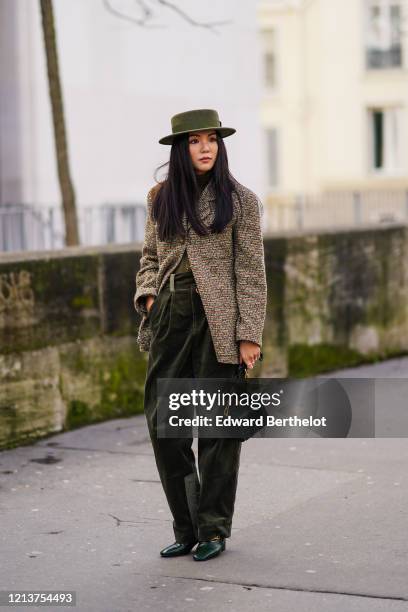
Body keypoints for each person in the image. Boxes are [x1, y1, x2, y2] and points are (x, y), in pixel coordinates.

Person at [134, 109, 267, 561]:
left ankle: (213, 529)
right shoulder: (160, 197)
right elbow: (150, 257)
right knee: (163, 426)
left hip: (220, 319)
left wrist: (248, 333)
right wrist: (150, 297)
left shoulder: (241, 200)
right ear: (179, 148)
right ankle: (186, 527)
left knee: (218, 429)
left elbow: (251, 271)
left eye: (211, 139)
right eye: (194, 141)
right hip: (170, 315)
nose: (205, 147)